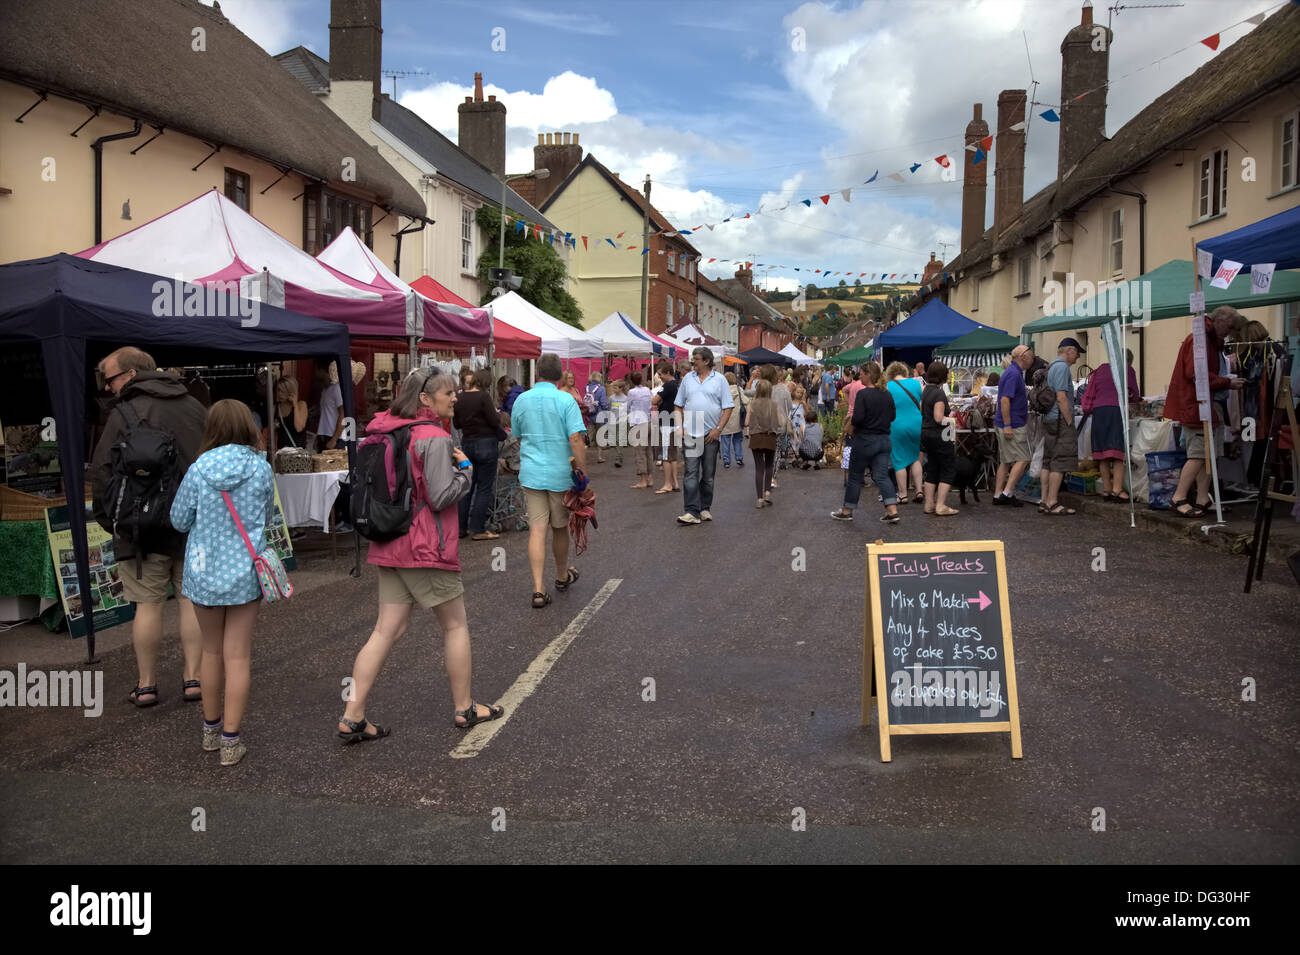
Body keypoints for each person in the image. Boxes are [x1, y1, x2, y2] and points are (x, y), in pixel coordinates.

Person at [337, 369, 503, 740]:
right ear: (425, 399)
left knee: (385, 630)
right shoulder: (434, 437)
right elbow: (442, 496)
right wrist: (467, 471)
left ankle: (353, 713)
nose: (455, 398)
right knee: (455, 625)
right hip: (426, 546)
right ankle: (464, 708)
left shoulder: (382, 430)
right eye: (448, 392)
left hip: (388, 542)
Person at [91, 347, 207, 709]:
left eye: (109, 379)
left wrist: (110, 520)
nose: (108, 388)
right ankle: (194, 679)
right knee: (190, 601)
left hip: (140, 526)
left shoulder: (124, 413)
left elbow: (101, 471)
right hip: (193, 522)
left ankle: (146, 685)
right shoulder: (195, 405)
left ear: (129, 374)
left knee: (147, 605)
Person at [168, 400, 275, 767]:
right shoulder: (261, 470)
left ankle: (210, 733)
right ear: (248, 426)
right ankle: (232, 741)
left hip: (204, 572)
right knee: (238, 655)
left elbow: (179, 520)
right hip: (245, 572)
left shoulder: (198, 470)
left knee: (210, 653)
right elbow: (270, 516)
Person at [511, 354, 587, 606]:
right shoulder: (566, 400)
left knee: (536, 529)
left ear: (537, 374)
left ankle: (538, 588)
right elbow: (576, 439)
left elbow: (518, 435)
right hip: (559, 473)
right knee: (559, 527)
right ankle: (562, 575)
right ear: (559, 376)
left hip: (532, 472)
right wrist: (582, 473)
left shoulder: (522, 399)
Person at [1166, 306, 1246, 517]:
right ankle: (1179, 497)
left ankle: (1202, 498)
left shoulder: (1207, 339)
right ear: (1219, 321)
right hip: (1198, 404)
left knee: (1208, 454)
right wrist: (1227, 382)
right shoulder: (1199, 340)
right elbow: (1196, 373)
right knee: (1199, 454)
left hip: (1206, 404)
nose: (1229, 333)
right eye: (1229, 328)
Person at [833, 363, 899, 524]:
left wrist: (853, 427)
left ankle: (847, 510)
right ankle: (892, 510)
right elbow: (892, 417)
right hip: (884, 440)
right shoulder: (887, 394)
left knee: (855, 476)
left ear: (869, 375)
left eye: (862, 373)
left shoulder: (863, 394)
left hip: (865, 440)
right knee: (882, 476)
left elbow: (857, 418)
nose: (860, 376)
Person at [674, 346, 734, 525]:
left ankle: (705, 507)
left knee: (708, 475)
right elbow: (678, 405)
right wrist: (679, 426)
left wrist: (718, 429)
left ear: (707, 361)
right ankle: (691, 511)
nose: (693, 361)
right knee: (691, 473)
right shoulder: (687, 380)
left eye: (696, 359)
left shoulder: (720, 380)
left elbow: (728, 407)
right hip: (691, 432)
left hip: (711, 435)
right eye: (693, 358)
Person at [1082, 347, 1141, 503]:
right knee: (1117, 451)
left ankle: (1107, 489)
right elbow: (1134, 392)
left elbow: (1090, 393)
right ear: (1127, 360)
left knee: (1102, 453)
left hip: (1099, 412)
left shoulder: (1100, 369)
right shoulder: (1127, 369)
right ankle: (1117, 490)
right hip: (1116, 410)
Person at [452, 367, 502, 541]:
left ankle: (460, 527)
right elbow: (494, 421)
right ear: (486, 383)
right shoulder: (483, 396)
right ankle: (477, 528)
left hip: (467, 443)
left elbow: (456, 424)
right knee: (483, 487)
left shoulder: (459, 398)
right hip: (486, 443)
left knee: (467, 485)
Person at [1039, 338, 1083, 516]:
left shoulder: (1050, 366)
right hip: (1059, 419)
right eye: (1077, 353)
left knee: (1048, 459)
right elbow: (1061, 397)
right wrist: (1069, 421)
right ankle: (1052, 502)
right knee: (1060, 460)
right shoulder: (1062, 367)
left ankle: (1044, 500)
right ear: (1069, 351)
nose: (1078, 357)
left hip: (1049, 418)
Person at [992, 345, 1034, 507]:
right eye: (1030, 355)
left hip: (1006, 422)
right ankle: (1007, 493)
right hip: (1013, 424)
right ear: (1023, 357)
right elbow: (1004, 400)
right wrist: (1008, 424)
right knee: (1024, 458)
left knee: (1006, 460)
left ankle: (998, 494)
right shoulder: (1014, 374)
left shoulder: (1012, 373)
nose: (1032, 358)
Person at [920, 360, 959, 516]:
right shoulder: (939, 393)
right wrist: (952, 420)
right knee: (948, 468)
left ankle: (929, 504)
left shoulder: (926, 391)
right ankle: (941, 505)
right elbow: (938, 418)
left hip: (926, 434)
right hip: (940, 435)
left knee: (932, 468)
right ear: (943, 376)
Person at [884, 362, 924, 504]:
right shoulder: (916, 383)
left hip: (897, 425)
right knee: (915, 457)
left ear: (890, 374)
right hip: (917, 423)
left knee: (899, 460)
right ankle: (919, 490)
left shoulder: (887, 387)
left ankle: (902, 494)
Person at [745, 379, 781, 506]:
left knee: (759, 468)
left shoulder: (752, 404)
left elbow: (746, 422)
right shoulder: (774, 404)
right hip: (770, 436)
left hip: (756, 437)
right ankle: (767, 493)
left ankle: (759, 499)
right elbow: (780, 422)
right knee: (769, 465)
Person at [653, 361, 681, 494]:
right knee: (673, 456)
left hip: (666, 423)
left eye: (660, 374)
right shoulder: (677, 385)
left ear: (668, 373)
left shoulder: (667, 386)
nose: (659, 377)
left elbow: (654, 400)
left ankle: (667, 484)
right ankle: (675, 482)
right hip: (675, 422)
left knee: (665, 456)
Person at [626, 371, 654, 488]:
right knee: (648, 451)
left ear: (631, 381)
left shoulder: (631, 392)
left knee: (639, 452)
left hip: (638, 423)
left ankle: (643, 479)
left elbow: (628, 407)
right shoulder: (648, 390)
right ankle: (650, 477)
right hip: (648, 421)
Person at [269, 376, 308, 450]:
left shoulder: (301, 405)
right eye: (278, 390)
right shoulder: (275, 408)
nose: (279, 394)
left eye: (283, 391)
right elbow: (272, 432)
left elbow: (299, 428)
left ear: (291, 392)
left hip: (297, 451)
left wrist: (295, 405)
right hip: (281, 451)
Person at [582, 371, 610, 464]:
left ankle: (582, 455)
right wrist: (607, 408)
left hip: (589, 414)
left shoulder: (586, 387)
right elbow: (603, 403)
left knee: (588, 437)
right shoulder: (601, 389)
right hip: (600, 415)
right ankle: (599, 457)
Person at [721, 371, 746, 468]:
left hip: (725, 418)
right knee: (737, 439)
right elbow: (745, 401)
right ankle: (739, 458)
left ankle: (726, 461)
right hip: (737, 419)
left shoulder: (722, 390)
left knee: (725, 440)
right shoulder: (739, 389)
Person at [608, 379, 629, 468]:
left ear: (621, 389)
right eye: (613, 387)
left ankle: (618, 457)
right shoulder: (612, 398)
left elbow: (627, 410)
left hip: (622, 421)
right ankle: (619, 455)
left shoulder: (625, 398)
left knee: (620, 440)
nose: (614, 389)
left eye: (615, 387)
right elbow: (609, 408)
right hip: (613, 421)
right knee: (613, 441)